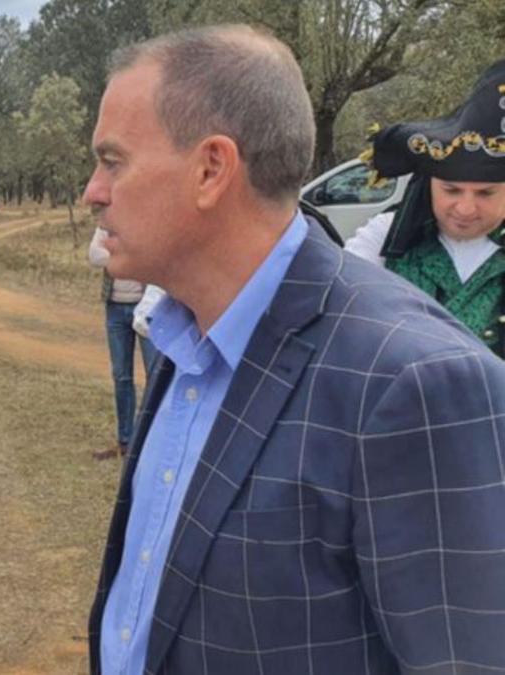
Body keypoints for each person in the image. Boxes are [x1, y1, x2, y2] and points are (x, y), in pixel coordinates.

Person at [84, 25, 505, 675]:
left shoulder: (413, 382)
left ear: (211, 168)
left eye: (113, 161)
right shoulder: (186, 333)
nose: (94, 191)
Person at [345, 59, 505, 357]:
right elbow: (337, 302)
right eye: (451, 190)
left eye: (485, 193)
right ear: (428, 182)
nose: (466, 208)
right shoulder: (384, 237)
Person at [87, 227, 155, 459]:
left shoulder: (145, 220)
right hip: (115, 308)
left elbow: (153, 255)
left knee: (155, 375)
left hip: (145, 308)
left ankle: (149, 443)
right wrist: (129, 256)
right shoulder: (106, 225)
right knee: (121, 376)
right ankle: (125, 442)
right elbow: (94, 256)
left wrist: (116, 255)